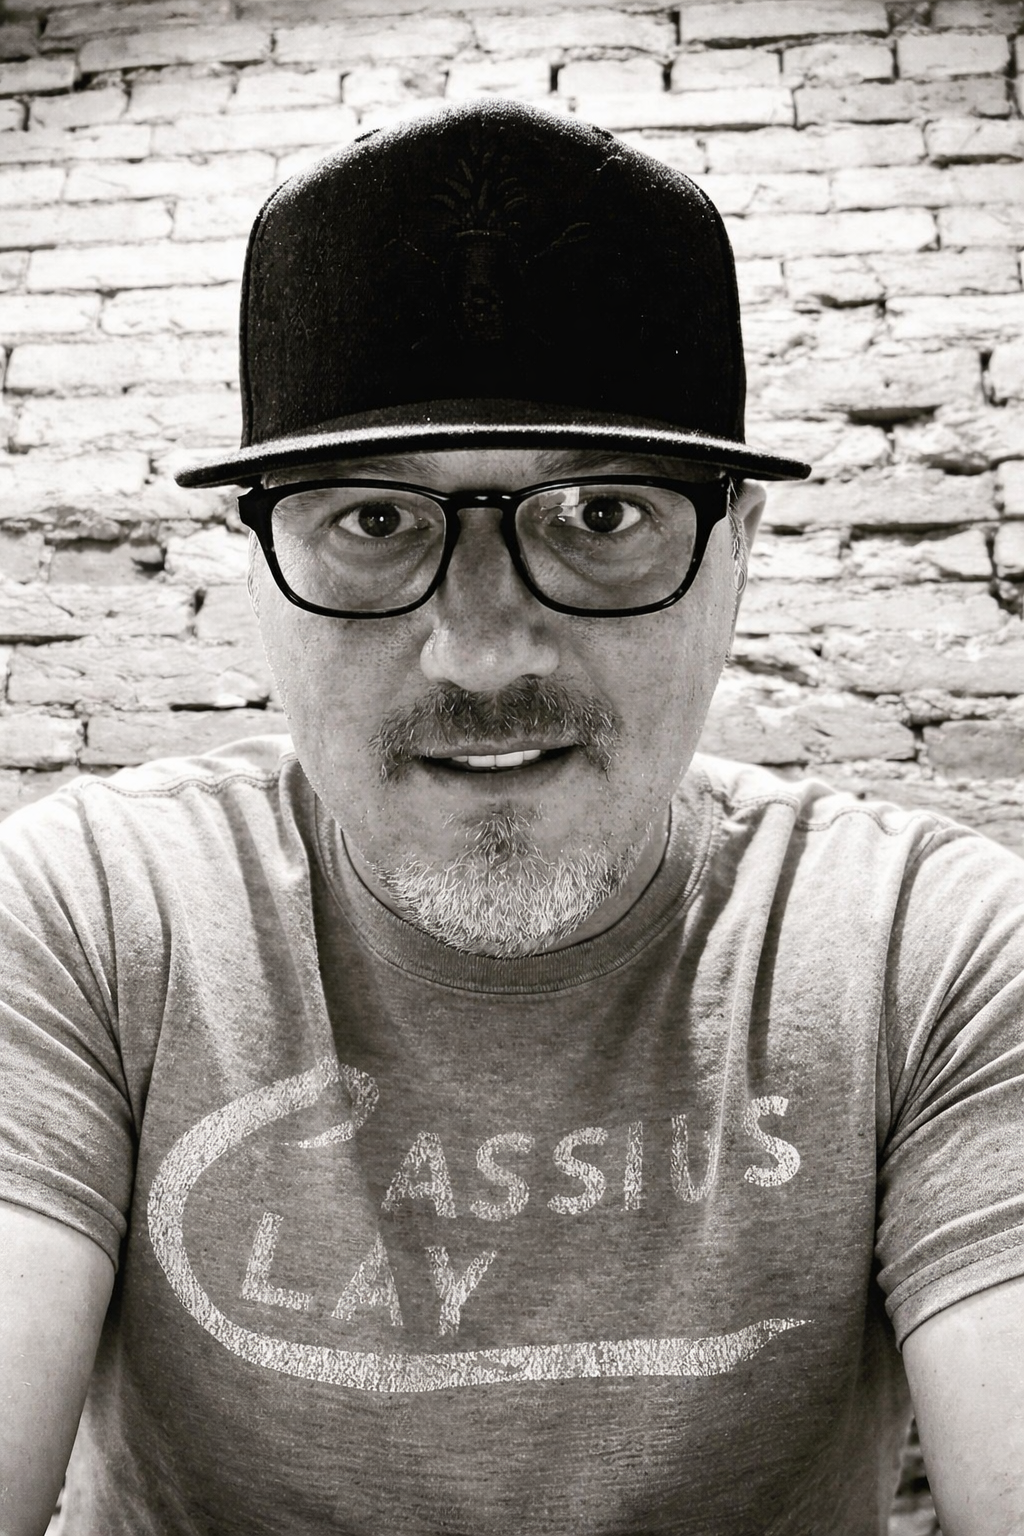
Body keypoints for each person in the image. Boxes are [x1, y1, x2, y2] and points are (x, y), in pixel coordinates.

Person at [0, 98, 1021, 1536]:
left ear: (739, 543)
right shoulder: (83, 921)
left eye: (601, 516)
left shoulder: (936, 952)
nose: (481, 654)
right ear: (259, 561)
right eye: (373, 520)